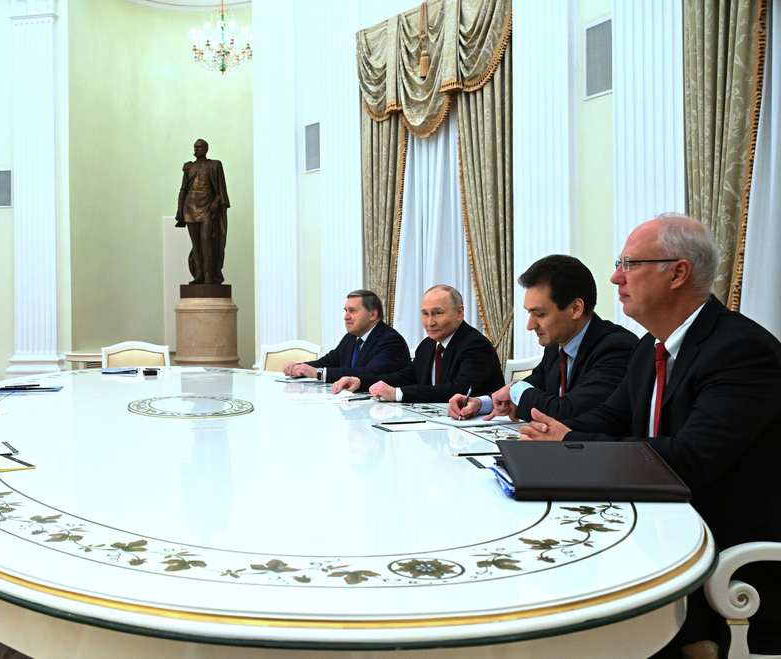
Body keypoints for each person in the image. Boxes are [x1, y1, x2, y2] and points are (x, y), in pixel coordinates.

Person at [520, 216, 781, 655]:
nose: (615, 276)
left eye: (629, 263)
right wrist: (562, 435)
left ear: (677, 273)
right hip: (659, 532)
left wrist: (569, 446)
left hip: (725, 562)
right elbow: (610, 417)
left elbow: (689, 459)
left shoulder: (740, 350)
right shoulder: (650, 346)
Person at [449, 255, 637, 421]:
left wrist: (515, 390)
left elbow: (568, 412)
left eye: (539, 314)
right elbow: (535, 384)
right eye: (529, 314)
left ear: (575, 308)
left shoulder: (616, 348)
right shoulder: (557, 345)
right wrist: (483, 403)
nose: (530, 325)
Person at [333, 285, 503, 403]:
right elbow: (406, 376)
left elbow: (458, 390)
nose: (430, 322)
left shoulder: (475, 345)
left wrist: (399, 393)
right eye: (425, 314)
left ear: (459, 312)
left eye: (437, 313)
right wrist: (361, 382)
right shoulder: (428, 345)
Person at [281, 289, 410, 383]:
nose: (346, 316)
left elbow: (370, 373)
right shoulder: (351, 337)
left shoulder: (391, 340)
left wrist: (318, 373)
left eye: (352, 311)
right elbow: (330, 361)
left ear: (372, 315)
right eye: (346, 311)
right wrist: (300, 367)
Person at [175, 138, 230, 285]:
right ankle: (198, 274)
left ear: (206, 149)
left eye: (199, 147)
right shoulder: (188, 167)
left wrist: (216, 202)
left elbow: (220, 191)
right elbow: (183, 190)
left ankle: (209, 275)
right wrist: (179, 210)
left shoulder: (214, 165)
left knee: (206, 239)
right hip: (190, 206)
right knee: (196, 242)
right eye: (195, 147)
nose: (197, 149)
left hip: (206, 206)